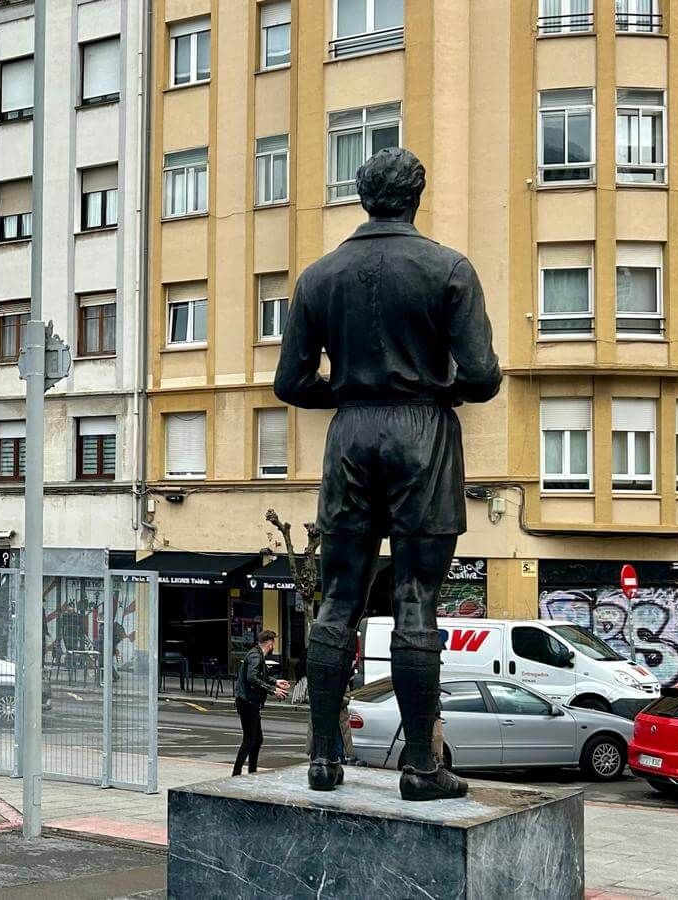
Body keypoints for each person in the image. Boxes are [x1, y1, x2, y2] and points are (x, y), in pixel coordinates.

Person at [274, 147, 502, 801]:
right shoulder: (448, 269)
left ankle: (324, 759)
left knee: (339, 599)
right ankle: (422, 768)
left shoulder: (319, 277)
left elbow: (290, 382)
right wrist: (437, 388)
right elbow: (482, 375)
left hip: (350, 435)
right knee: (415, 598)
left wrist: (350, 391)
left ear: (363, 197)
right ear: (415, 197)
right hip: (422, 435)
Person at [232, 629, 289, 776]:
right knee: (250, 739)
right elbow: (252, 678)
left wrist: (276, 682)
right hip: (247, 702)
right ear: (270, 644)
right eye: (273, 643)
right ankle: (237, 772)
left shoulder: (257, 654)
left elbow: (261, 676)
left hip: (250, 702)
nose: (273, 646)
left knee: (256, 739)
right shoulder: (255, 656)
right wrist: (273, 690)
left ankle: (252, 770)